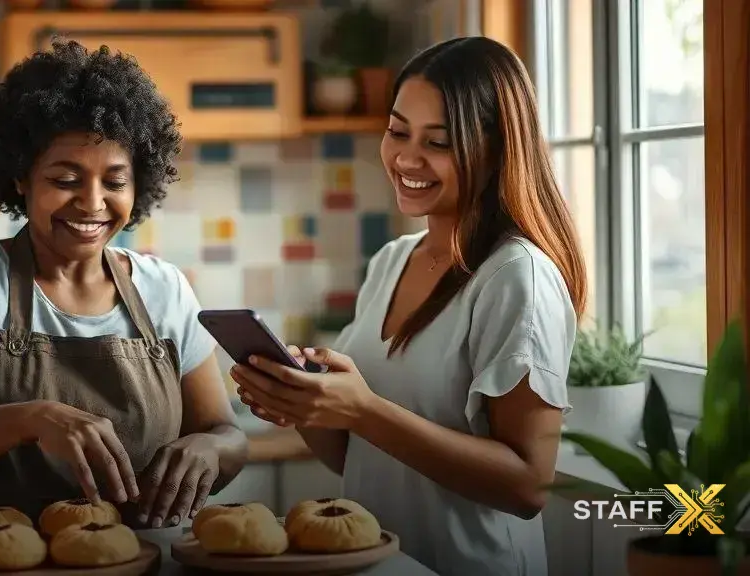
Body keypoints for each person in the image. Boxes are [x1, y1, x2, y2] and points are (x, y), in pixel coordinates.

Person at [233, 36, 585, 576]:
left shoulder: (517, 277)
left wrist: (363, 409)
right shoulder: (393, 260)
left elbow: (527, 485)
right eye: (398, 131)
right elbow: (359, 458)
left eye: (437, 142)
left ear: (494, 149)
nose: (405, 158)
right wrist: (303, 406)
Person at [0, 40, 247, 542]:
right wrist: (31, 419)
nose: (92, 203)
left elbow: (227, 433)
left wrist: (210, 450)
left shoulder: (165, 289)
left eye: (115, 182)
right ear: (21, 178)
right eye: (66, 179)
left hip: (144, 561)